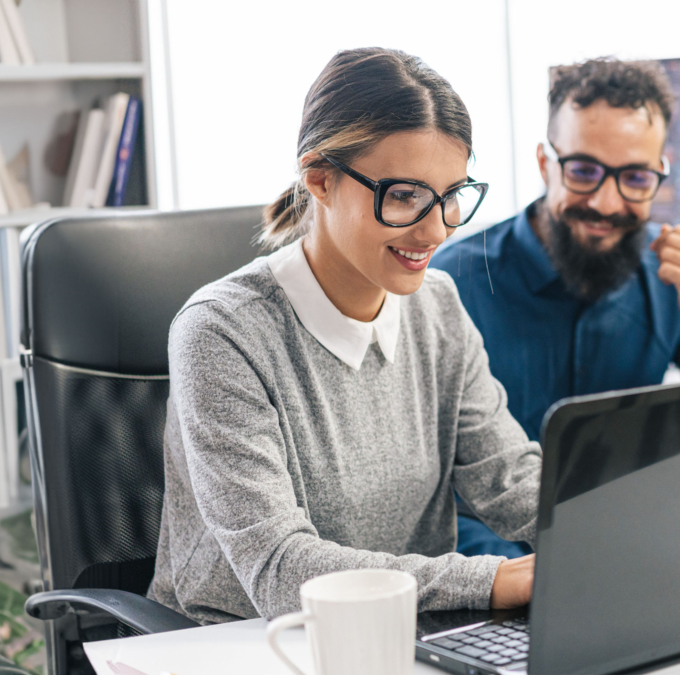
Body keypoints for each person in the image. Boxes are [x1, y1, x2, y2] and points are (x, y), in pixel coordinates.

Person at [148, 48, 540, 624]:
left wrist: (618, 534)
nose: (436, 229)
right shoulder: (221, 332)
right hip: (247, 644)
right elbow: (281, 568)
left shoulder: (439, 307)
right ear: (321, 180)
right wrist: (489, 580)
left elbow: (509, 478)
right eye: (405, 196)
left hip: (403, 636)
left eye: (451, 195)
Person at [431, 57, 680, 558]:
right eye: (585, 171)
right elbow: (431, 498)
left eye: (635, 178)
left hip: (633, 554)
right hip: (495, 578)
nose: (609, 203)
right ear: (546, 165)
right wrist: (538, 576)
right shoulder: (454, 283)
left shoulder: (668, 273)